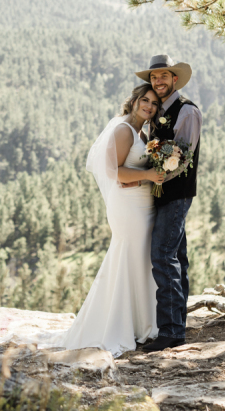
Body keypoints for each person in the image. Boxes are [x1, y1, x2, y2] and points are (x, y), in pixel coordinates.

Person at [57, 83, 165, 356]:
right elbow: (114, 171)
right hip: (128, 207)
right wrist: (149, 176)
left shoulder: (142, 131)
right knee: (128, 255)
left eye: (154, 103)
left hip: (141, 203)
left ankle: (142, 323)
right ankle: (119, 325)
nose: (149, 106)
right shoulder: (123, 130)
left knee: (140, 259)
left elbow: (129, 169)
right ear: (135, 100)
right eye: (145, 100)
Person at [134, 55, 202, 353]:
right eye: (154, 77)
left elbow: (183, 156)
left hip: (176, 193)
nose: (158, 81)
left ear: (175, 78)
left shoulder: (187, 111)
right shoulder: (157, 110)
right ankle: (179, 325)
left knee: (162, 256)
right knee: (177, 258)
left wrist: (159, 173)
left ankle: (171, 332)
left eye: (163, 76)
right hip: (161, 192)